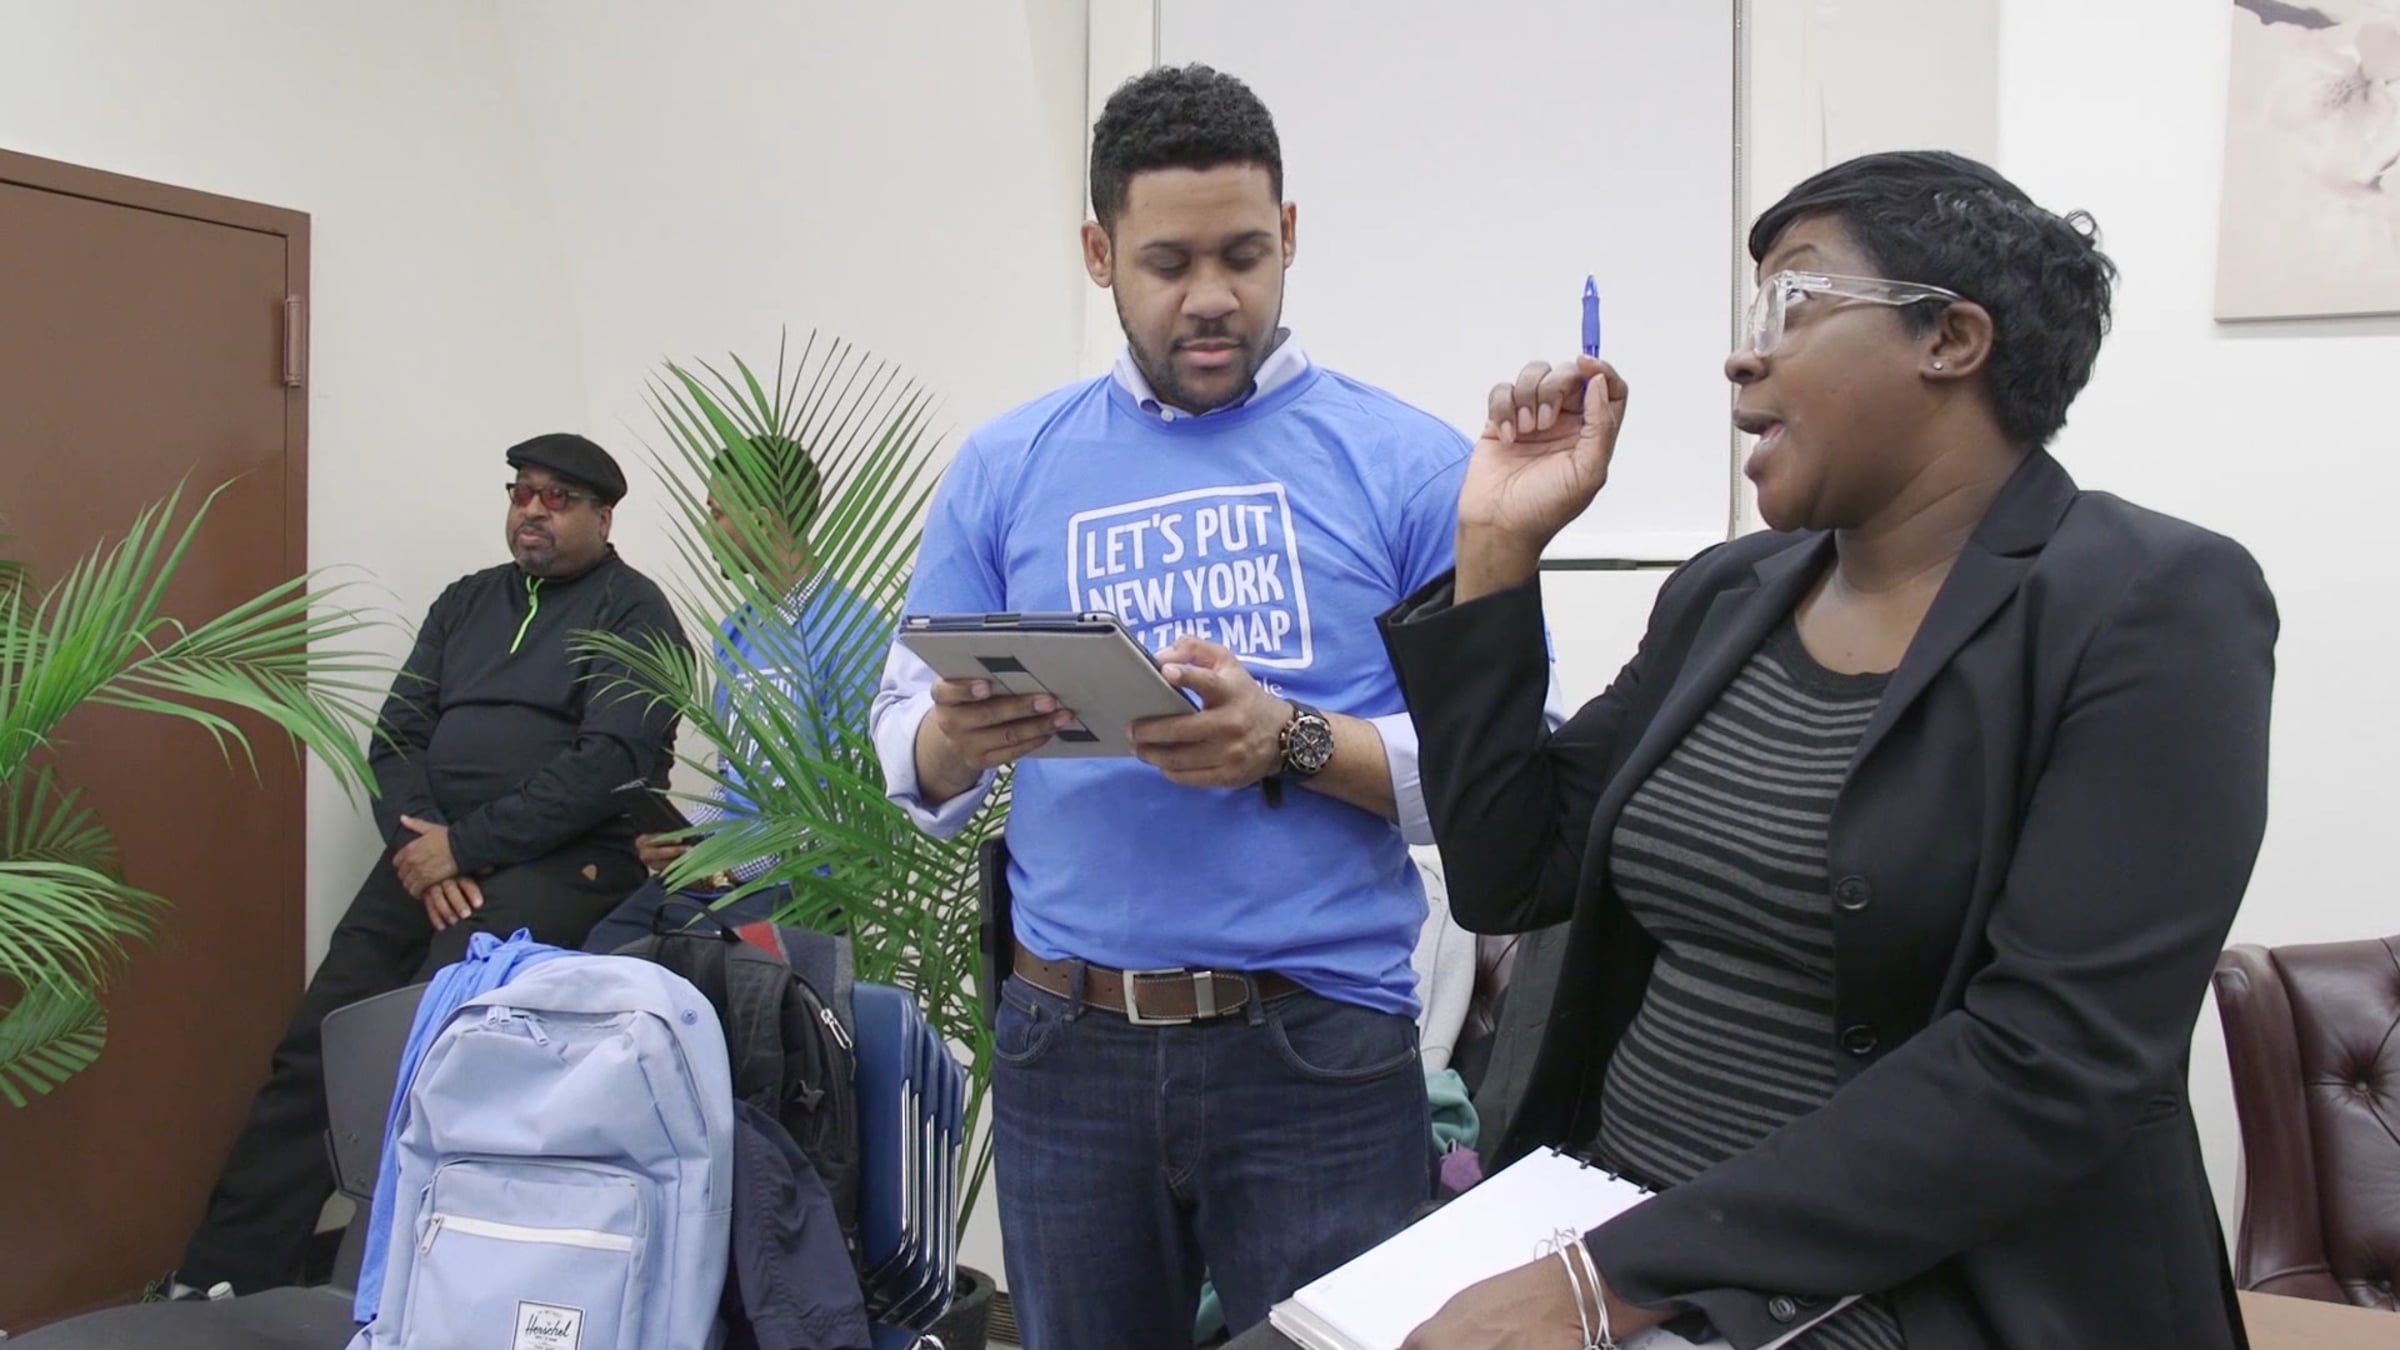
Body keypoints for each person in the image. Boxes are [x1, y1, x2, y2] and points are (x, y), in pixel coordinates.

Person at [1361, 150, 2278, 1350]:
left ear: (1951, 339)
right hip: (1613, 1224)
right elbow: (1510, 872)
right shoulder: (1727, 594)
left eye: (1790, 304)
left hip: (1903, 1291)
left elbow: (2051, 1058)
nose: (1743, 358)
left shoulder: (2151, 602)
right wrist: (1494, 549)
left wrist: (1607, 1282)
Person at [869, 64, 1478, 1349]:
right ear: (1099, 254)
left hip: (1318, 1046)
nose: (1211, 297)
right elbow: (902, 742)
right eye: (1168, 263)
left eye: (1243, 255)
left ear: (1290, 235)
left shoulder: (1414, 468)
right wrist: (952, 740)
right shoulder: (1006, 466)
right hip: (1067, 1048)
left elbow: (1496, 777)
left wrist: (1291, 741)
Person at [169, 432, 687, 1297]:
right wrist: (427, 847)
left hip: (564, 861)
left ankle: (372, 1297)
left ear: (604, 517)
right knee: (323, 1041)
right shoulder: (465, 601)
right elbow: (397, 737)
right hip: (428, 855)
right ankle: (219, 1279)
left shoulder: (636, 613)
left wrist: (466, 847)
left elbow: (608, 765)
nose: (532, 510)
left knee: (425, 1048)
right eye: (521, 491)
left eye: (557, 498)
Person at [582, 433, 882, 953]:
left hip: (808, 890)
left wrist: (728, 861)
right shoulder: (736, 634)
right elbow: (732, 783)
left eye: (717, 513)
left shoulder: (853, 633)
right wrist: (683, 841)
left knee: (669, 966)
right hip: (728, 880)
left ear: (761, 521)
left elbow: (855, 809)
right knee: (602, 951)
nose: (707, 529)